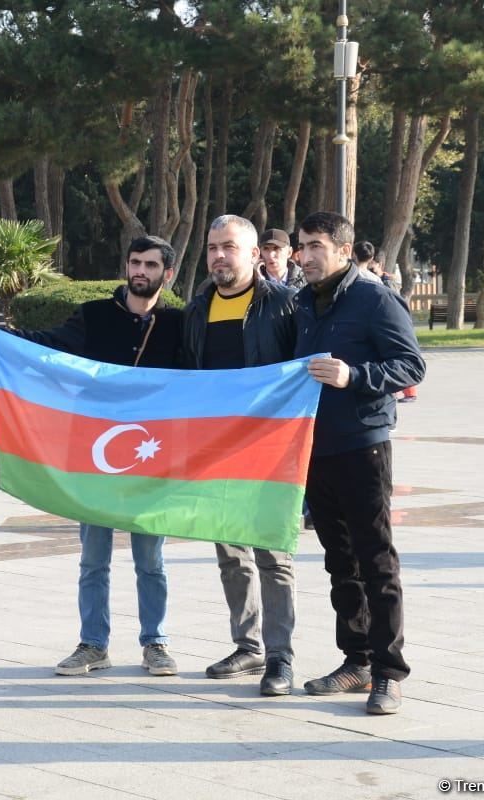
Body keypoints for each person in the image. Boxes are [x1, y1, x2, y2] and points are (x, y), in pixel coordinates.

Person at [0, 235, 184, 679]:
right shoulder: (94, 316)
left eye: (150, 264)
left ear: (168, 273)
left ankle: (155, 642)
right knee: (93, 558)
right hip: (96, 457)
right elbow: (43, 345)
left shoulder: (181, 324)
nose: (140, 271)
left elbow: (214, 372)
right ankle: (93, 644)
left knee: (151, 561)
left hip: (152, 457)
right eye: (135, 262)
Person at [294, 211, 426, 715]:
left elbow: (411, 364)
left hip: (362, 445)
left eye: (316, 247)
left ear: (345, 251)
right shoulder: (304, 302)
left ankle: (389, 673)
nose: (305, 257)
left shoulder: (374, 298)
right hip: (315, 448)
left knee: (375, 558)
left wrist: (355, 375)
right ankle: (356, 660)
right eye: (302, 246)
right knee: (338, 560)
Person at [181, 216, 300, 696]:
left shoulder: (285, 305)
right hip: (216, 450)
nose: (218, 256)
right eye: (212, 248)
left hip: (270, 451)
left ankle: (279, 658)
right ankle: (246, 646)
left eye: (229, 247)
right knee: (231, 555)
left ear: (255, 255)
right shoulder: (197, 309)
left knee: (274, 556)